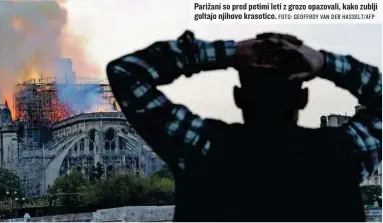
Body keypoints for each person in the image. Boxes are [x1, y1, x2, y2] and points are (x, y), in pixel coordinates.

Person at [106, 31, 381, 221]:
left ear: (238, 96)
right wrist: (322, 62)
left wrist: (227, 52)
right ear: (303, 97)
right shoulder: (343, 153)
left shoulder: (201, 147)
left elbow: (126, 72)